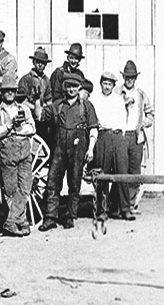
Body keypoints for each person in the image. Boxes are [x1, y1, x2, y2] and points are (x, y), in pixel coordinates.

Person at [39, 73, 99, 231]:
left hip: (78, 148)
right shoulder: (57, 105)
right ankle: (51, 217)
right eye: (68, 86)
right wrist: (38, 100)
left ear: (79, 87)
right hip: (59, 148)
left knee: (74, 182)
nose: (71, 89)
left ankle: (70, 216)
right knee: (53, 182)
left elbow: (93, 128)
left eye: (75, 86)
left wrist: (91, 149)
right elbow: (40, 117)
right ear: (64, 87)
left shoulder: (86, 106)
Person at [0, 75, 36, 237]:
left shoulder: (24, 109)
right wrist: (9, 124)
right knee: (11, 190)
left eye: (12, 91)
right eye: (6, 91)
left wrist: (17, 129)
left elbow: (32, 128)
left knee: (25, 188)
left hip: (24, 151)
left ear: (16, 92)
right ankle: (21, 221)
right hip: (6, 153)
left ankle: (11, 221)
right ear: (2, 93)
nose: (9, 93)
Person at [89, 71, 135, 221]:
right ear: (101, 84)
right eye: (105, 83)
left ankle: (125, 209)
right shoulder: (94, 100)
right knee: (102, 174)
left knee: (122, 172)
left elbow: (123, 119)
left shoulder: (118, 100)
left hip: (118, 136)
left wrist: (120, 136)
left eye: (110, 84)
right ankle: (102, 210)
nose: (107, 86)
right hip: (103, 136)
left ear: (113, 85)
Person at [120, 60, 154, 214]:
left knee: (134, 172)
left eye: (132, 77)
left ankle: (131, 204)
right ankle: (120, 205)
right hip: (120, 136)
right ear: (124, 77)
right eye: (127, 77)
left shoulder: (141, 95)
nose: (130, 80)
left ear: (135, 78)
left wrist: (143, 124)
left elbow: (151, 114)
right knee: (120, 171)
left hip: (136, 136)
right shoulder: (116, 93)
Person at [19, 47, 51, 140]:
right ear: (33, 62)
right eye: (38, 62)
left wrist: (44, 108)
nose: (40, 65)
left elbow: (49, 100)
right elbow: (21, 101)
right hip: (29, 116)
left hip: (42, 118)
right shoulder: (26, 79)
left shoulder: (46, 80)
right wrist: (35, 107)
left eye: (43, 63)